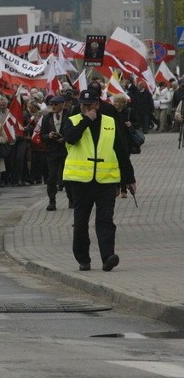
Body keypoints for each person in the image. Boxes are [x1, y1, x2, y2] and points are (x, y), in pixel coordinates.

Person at [62, 89, 136, 272]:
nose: (85, 108)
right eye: (83, 105)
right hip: (81, 181)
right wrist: (87, 119)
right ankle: (83, 259)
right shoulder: (73, 121)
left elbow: (121, 150)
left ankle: (107, 257)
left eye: (89, 105)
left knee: (105, 220)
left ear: (97, 104)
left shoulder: (110, 122)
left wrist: (129, 178)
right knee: (80, 222)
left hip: (106, 180)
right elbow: (70, 138)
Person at [39, 96, 72, 211]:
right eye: (52, 104)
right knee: (51, 176)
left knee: (67, 176)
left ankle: (71, 199)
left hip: (66, 150)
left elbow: (74, 132)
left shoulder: (70, 115)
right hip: (52, 151)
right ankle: (52, 201)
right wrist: (49, 136)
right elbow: (42, 135)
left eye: (56, 104)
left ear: (62, 104)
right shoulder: (46, 118)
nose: (53, 106)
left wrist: (65, 138)